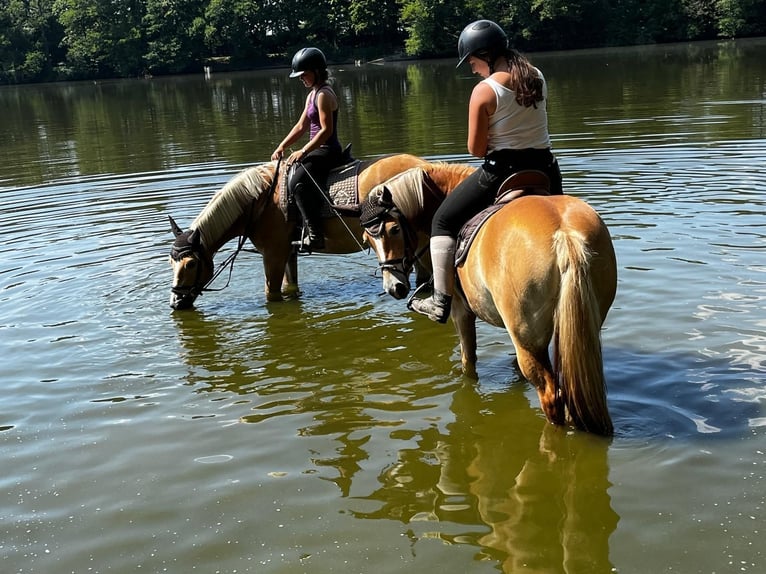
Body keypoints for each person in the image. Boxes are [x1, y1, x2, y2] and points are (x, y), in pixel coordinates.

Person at [409, 19, 563, 323]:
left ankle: (440, 301)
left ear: (486, 55)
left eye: (472, 61)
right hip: (546, 168)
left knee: (442, 220)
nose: (471, 68)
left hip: (502, 172)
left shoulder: (485, 90)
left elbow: (476, 150)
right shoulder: (537, 77)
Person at [271, 47, 344, 252]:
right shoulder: (312, 94)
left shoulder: (323, 95)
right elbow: (301, 126)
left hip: (328, 149)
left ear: (316, 71)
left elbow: (326, 131)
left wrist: (303, 151)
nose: (302, 79)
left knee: (297, 182)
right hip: (316, 149)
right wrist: (282, 145)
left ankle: (315, 235)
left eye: (304, 74)